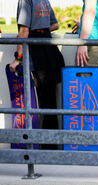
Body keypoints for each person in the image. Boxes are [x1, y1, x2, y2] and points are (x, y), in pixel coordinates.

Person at [9, 0, 65, 149]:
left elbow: (24, 32)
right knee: (50, 103)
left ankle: (46, 148)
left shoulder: (26, 1)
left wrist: (17, 59)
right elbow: (55, 25)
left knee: (42, 102)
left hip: (38, 55)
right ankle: (51, 147)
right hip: (50, 54)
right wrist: (40, 29)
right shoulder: (44, 0)